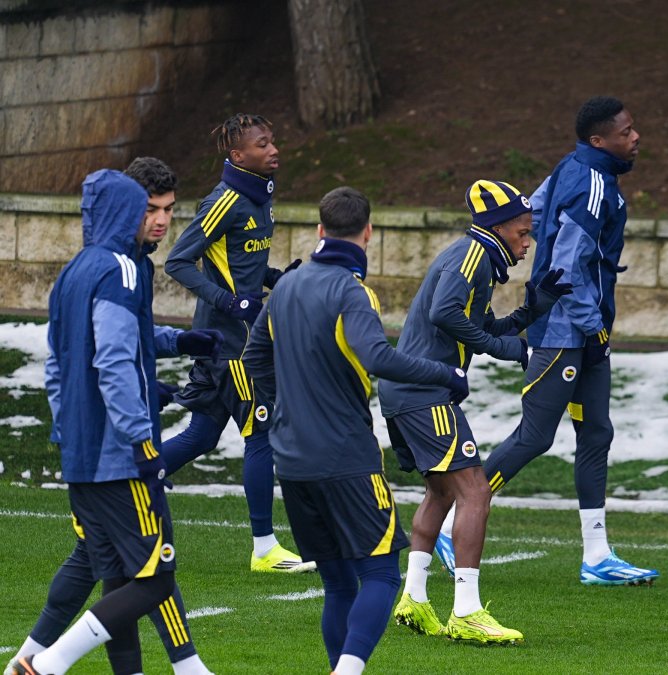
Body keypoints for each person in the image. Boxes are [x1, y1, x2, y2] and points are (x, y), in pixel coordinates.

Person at [243, 187, 469, 674]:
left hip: (294, 460)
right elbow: (378, 357)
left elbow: (254, 356)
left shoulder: (286, 285)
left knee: (339, 583)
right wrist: (445, 375)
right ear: (368, 233)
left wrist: (287, 405)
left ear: (320, 231)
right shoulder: (352, 289)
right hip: (346, 458)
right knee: (382, 575)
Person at [7, 159, 219, 675]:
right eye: (147, 208)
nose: (160, 220)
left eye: (169, 210)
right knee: (154, 577)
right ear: (125, 209)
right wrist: (141, 437)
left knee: (116, 575)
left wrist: (73, 424)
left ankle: (42, 660)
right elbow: (115, 361)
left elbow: (60, 365)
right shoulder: (121, 268)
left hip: (81, 451)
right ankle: (47, 663)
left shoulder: (74, 271)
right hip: (118, 453)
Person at [437, 97, 658, 586]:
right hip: (564, 332)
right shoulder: (591, 185)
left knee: (596, 433)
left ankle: (597, 556)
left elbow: (528, 209)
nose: (635, 136)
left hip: (585, 330)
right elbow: (566, 264)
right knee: (536, 435)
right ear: (599, 140)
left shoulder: (575, 167)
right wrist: (590, 323)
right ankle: (452, 526)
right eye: (626, 132)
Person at [381, 179, 571, 644]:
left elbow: (481, 324)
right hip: (424, 392)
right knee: (477, 492)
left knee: (443, 494)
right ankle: (465, 610)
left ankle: (414, 599)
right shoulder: (472, 256)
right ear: (499, 225)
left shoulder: (475, 259)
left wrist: (530, 312)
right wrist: (504, 348)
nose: (527, 242)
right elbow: (447, 314)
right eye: (523, 232)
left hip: (407, 392)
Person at [162, 113, 309, 573]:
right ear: (237, 156)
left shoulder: (259, 195)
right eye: (262, 144)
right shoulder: (225, 200)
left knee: (203, 435)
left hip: (228, 339)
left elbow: (242, 261)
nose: (273, 149)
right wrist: (232, 303)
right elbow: (179, 262)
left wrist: (274, 278)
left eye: (273, 140)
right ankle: (264, 549)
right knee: (260, 434)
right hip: (234, 345)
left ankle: (126, 480)